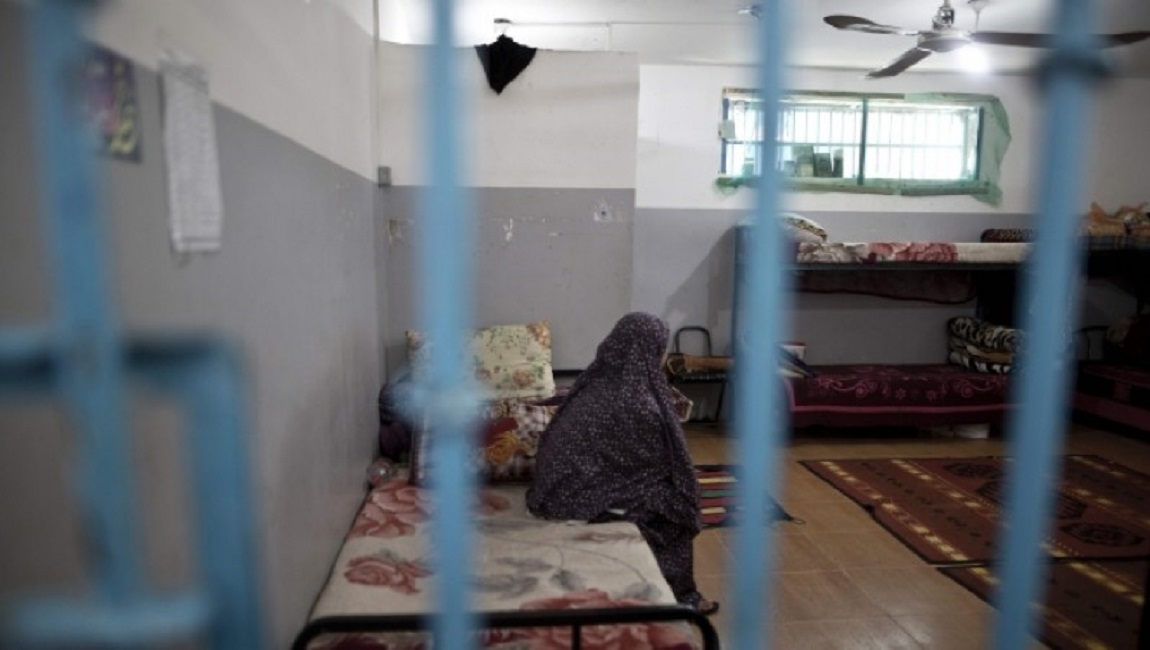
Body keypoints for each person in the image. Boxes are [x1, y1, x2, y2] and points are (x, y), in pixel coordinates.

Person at [527, 312, 718, 615]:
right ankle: (681, 597)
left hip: (556, 488)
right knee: (675, 508)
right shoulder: (638, 402)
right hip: (576, 497)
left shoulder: (596, 381)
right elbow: (657, 468)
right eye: (662, 347)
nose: (664, 355)